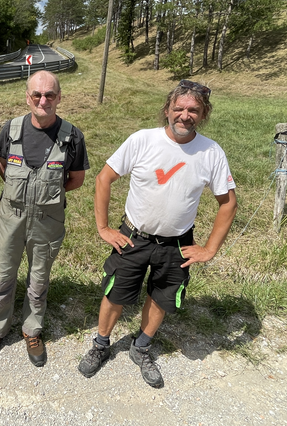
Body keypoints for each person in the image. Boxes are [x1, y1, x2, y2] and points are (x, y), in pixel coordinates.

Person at [77, 80, 237, 388]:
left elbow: (228, 203)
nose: (184, 115)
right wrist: (103, 228)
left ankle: (142, 348)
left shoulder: (211, 152)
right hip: (133, 237)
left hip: (177, 243)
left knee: (162, 298)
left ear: (203, 115)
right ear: (166, 110)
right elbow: (103, 179)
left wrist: (210, 249)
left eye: (193, 110)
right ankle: (100, 345)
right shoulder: (142, 140)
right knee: (115, 293)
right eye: (178, 108)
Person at [0, 70, 89, 367]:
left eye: (49, 95)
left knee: (38, 279)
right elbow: (1, 165)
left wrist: (46, 193)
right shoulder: (10, 129)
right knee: (2, 276)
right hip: (11, 216)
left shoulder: (72, 136)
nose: (43, 100)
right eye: (37, 95)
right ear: (27, 97)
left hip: (48, 220)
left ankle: (32, 329)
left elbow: (76, 179)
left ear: (59, 98)